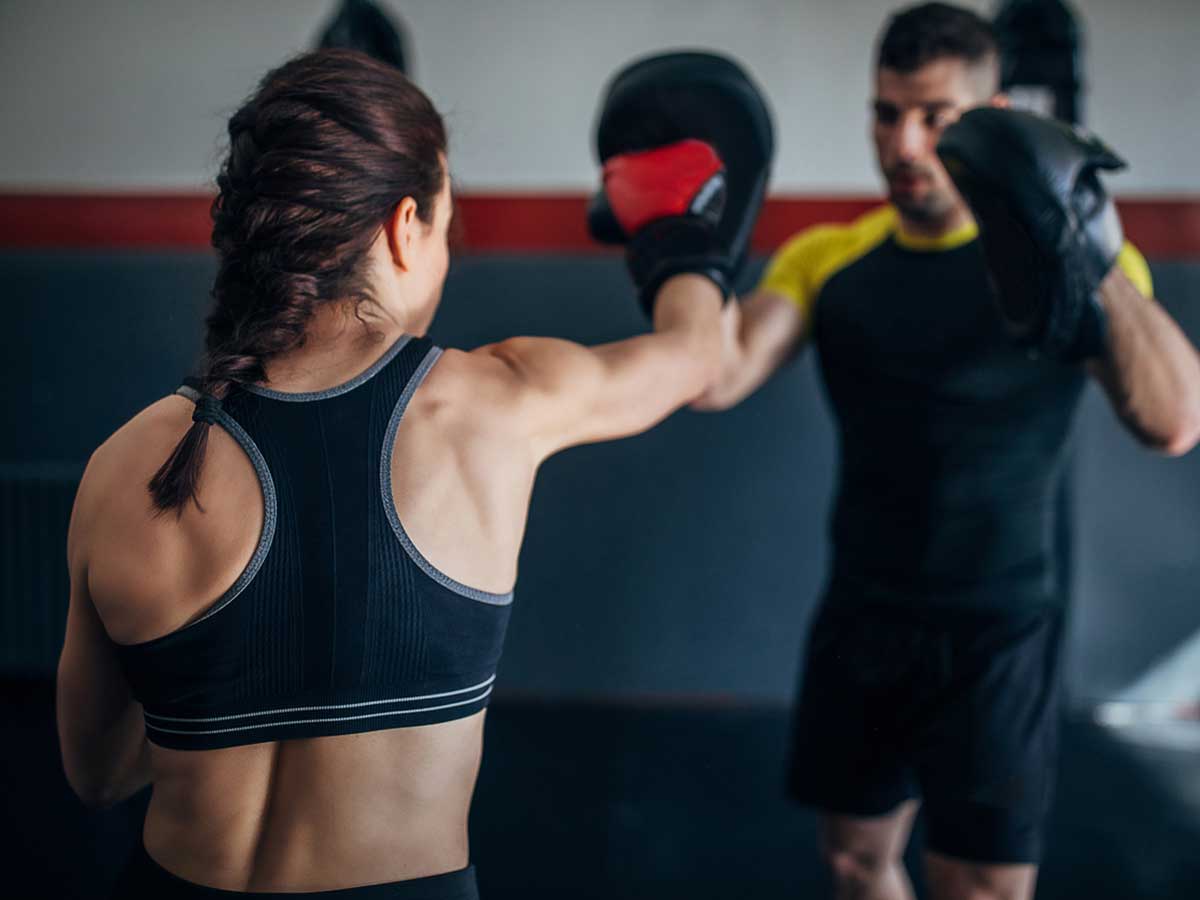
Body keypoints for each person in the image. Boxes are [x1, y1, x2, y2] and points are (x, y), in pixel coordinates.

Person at [55, 49, 757, 898]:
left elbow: (98, 776)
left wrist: (213, 680)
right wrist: (678, 233)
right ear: (403, 225)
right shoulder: (496, 405)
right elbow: (697, 356)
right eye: (446, 226)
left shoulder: (125, 466)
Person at [693, 4, 1200, 900]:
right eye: (887, 113)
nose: (904, 143)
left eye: (935, 116)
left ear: (993, 115)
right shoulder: (829, 257)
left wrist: (1086, 246)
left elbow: (1172, 420)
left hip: (1000, 629)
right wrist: (686, 251)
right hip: (864, 614)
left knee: (983, 888)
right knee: (855, 860)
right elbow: (720, 374)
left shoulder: (1059, 266)